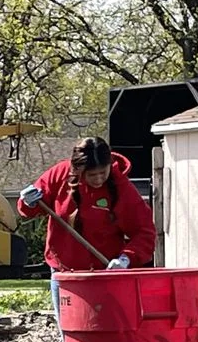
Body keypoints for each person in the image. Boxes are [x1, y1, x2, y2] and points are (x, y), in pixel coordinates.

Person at [17, 137, 156, 327]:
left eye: (103, 173)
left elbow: (145, 232)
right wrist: (27, 201)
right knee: (71, 332)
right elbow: (30, 209)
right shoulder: (59, 175)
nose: (99, 179)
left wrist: (126, 259)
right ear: (78, 170)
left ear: (110, 165)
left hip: (105, 276)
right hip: (64, 274)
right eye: (92, 175)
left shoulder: (122, 189)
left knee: (106, 332)